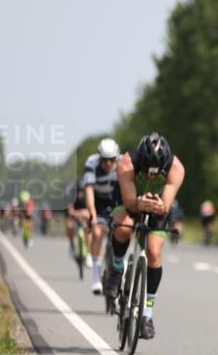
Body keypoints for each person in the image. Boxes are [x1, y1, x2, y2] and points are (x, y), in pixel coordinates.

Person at [103, 133, 185, 340]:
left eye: (155, 172)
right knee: (124, 228)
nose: (150, 175)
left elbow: (166, 202)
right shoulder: (127, 162)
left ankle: (147, 315)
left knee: (154, 252)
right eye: (147, 170)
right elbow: (129, 201)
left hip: (156, 203)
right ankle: (116, 268)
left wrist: (160, 205)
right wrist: (138, 203)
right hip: (129, 197)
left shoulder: (176, 168)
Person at [83, 138, 121, 294]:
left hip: (116, 200)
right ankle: (96, 275)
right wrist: (92, 212)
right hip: (98, 201)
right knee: (97, 233)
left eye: (112, 160)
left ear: (116, 158)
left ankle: (118, 259)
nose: (108, 164)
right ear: (99, 157)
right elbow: (89, 190)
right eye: (105, 160)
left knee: (123, 230)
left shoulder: (123, 162)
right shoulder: (92, 163)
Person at [65, 177, 91, 264]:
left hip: (85, 217)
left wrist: (84, 213)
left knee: (88, 230)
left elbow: (89, 209)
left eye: (82, 191)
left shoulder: (88, 195)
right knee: (69, 226)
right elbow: (70, 208)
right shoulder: (72, 196)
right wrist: (77, 213)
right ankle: (72, 246)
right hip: (75, 216)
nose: (80, 193)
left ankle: (88, 253)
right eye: (78, 191)